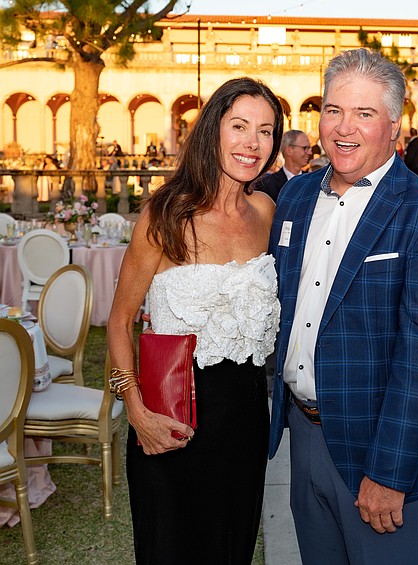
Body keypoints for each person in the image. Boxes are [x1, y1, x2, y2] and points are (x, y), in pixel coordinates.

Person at [268, 48, 418, 565]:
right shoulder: (294, 199)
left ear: (394, 126)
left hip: (385, 452)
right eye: (333, 110)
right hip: (305, 439)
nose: (342, 127)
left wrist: (389, 473)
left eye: (364, 113)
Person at [107, 77, 283, 565]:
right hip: (171, 417)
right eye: (240, 126)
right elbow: (120, 321)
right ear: (213, 130)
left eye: (265, 131)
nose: (252, 142)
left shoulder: (266, 212)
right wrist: (137, 412)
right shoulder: (165, 214)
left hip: (246, 418)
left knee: (233, 549)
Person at [252, 129, 314, 201]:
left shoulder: (313, 182)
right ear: (289, 150)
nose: (310, 152)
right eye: (305, 148)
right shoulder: (268, 184)